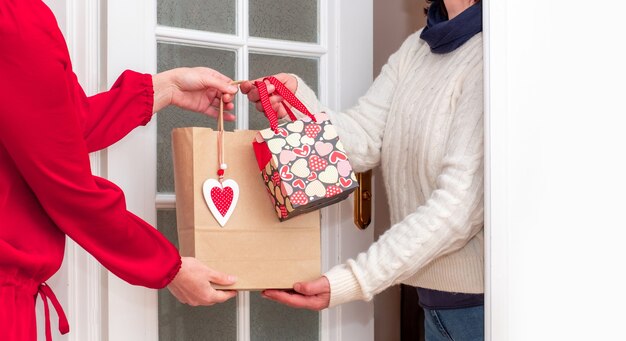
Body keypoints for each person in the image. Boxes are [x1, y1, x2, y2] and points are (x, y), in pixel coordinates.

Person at [241, 0, 484, 339]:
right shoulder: (416, 49)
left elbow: (458, 208)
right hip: (432, 305)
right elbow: (365, 138)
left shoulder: (496, 53)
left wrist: (354, 279)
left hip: (482, 311)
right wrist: (297, 104)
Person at [0, 1, 238, 340]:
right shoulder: (15, 17)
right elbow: (66, 184)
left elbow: (55, 129)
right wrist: (169, 267)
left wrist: (163, 89)